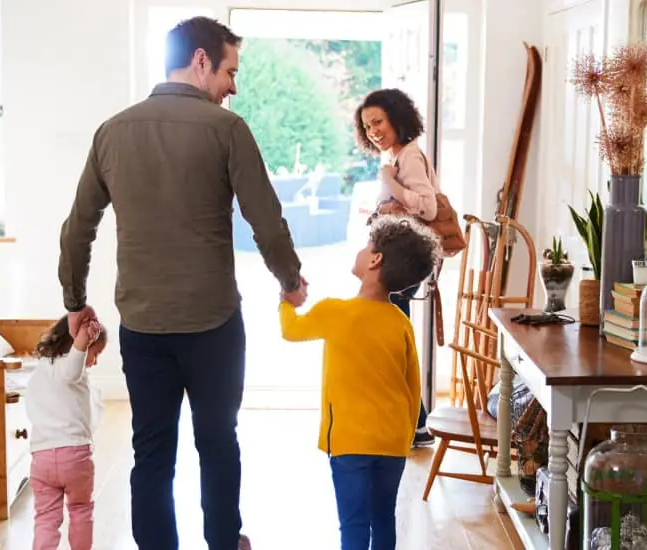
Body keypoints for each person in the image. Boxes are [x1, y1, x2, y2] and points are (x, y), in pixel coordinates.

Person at [57, 15, 306, 550]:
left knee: (151, 451)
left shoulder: (113, 131)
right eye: (229, 71)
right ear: (200, 60)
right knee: (218, 443)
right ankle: (222, 543)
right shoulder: (227, 130)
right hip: (213, 324)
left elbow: (78, 228)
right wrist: (289, 279)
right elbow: (265, 217)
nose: (233, 86)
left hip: (143, 327)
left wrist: (74, 302)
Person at [279, 215, 441, 550]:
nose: (363, 249)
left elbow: (290, 330)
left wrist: (286, 300)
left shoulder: (334, 312)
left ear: (375, 260)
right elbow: (412, 387)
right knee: (383, 518)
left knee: (354, 525)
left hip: (349, 443)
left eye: (368, 245)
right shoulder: (400, 323)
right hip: (392, 442)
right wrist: (404, 437)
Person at [354, 88, 441, 449]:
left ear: (396, 118)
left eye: (378, 121)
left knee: (394, 346)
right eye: (367, 125)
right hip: (396, 262)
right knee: (397, 344)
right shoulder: (399, 157)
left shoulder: (408, 158)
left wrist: (390, 183)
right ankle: (416, 425)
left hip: (401, 266)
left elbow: (429, 207)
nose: (374, 130)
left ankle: (414, 426)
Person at [26, 316, 106, 550]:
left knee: (45, 518)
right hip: (75, 457)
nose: (95, 361)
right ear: (79, 347)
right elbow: (72, 367)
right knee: (81, 510)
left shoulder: (41, 368)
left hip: (42, 459)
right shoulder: (72, 369)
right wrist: (82, 341)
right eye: (95, 354)